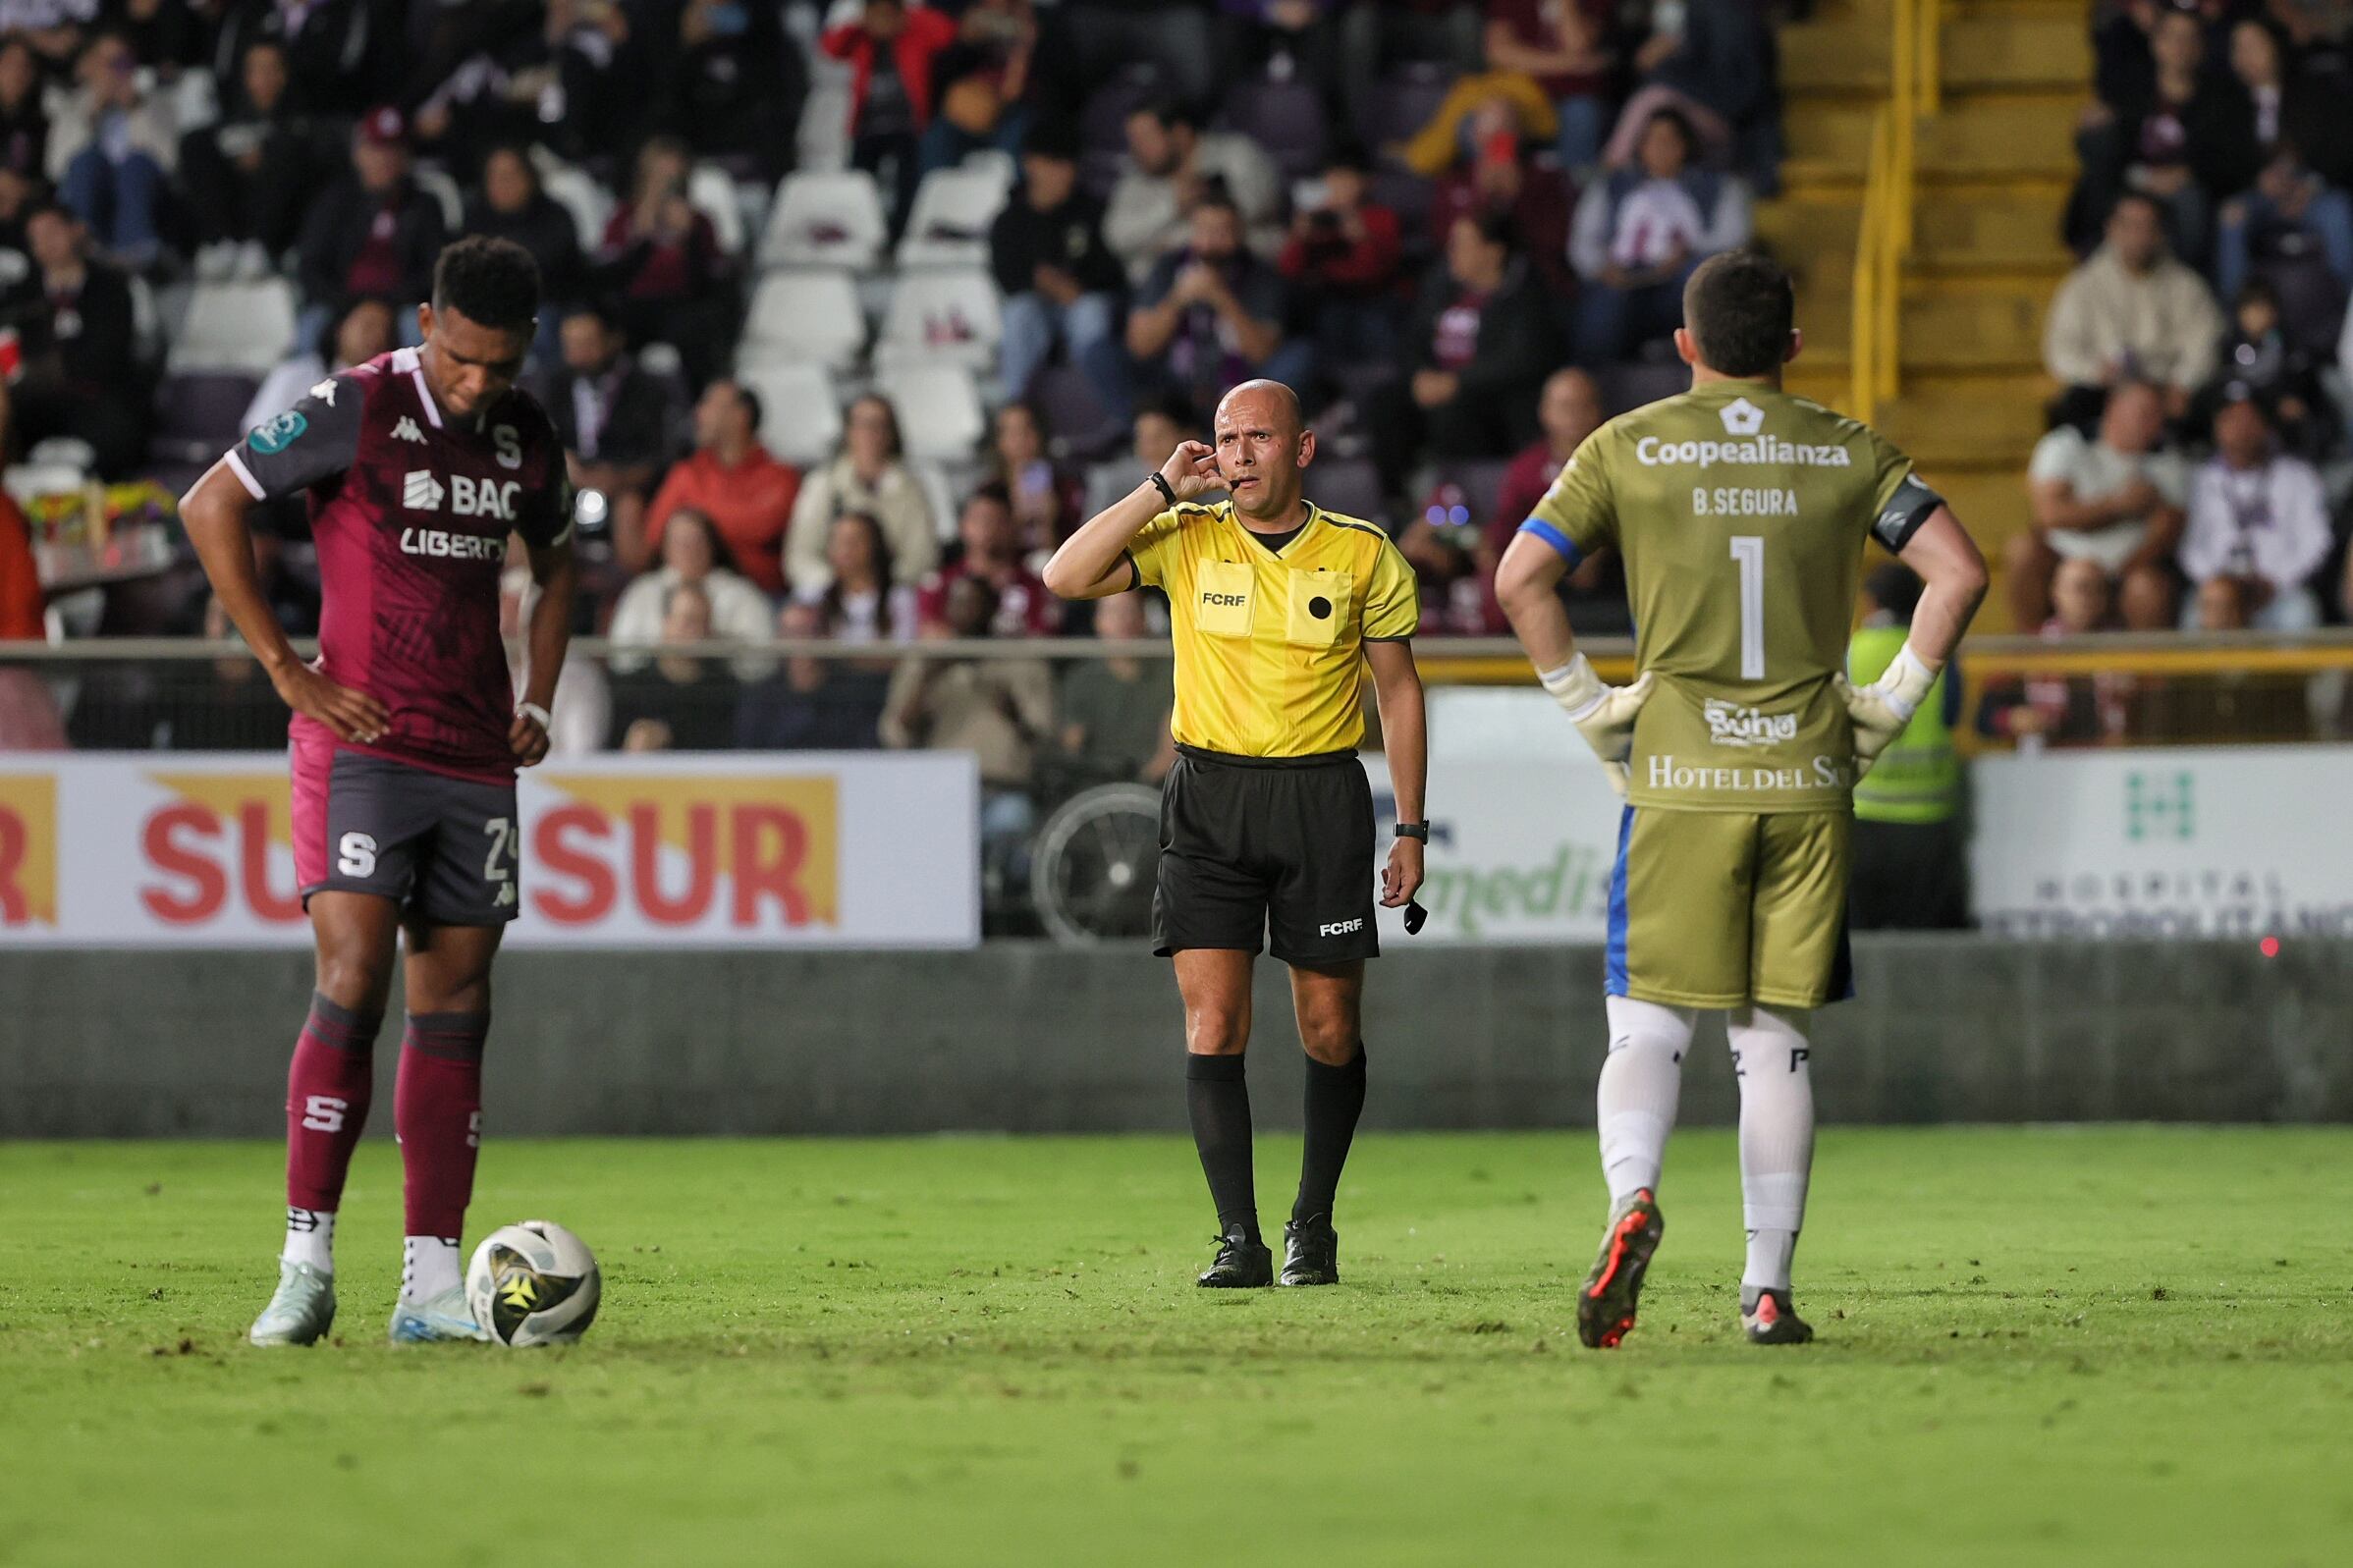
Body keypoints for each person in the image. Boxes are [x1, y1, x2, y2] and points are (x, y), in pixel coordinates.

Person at [1494, 250, 1988, 1348]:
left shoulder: (1624, 447)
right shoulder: (1849, 451)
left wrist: (1589, 707)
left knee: (1648, 1026)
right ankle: (1765, 1291)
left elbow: (1517, 580)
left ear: (1684, 346)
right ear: (1793, 349)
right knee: (1772, 1047)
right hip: (1808, 776)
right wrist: (1892, 699)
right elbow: (1957, 572)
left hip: (1674, 776)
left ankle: (1632, 1199)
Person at [178, 237, 576, 1347]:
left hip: (474, 759)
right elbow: (210, 502)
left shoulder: (527, 431)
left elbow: (557, 568)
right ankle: (304, 1266)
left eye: (497, 367)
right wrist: (288, 670)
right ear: (425, 323)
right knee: (352, 978)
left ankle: (432, 1287)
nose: (475, 384)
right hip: (360, 743)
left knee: (457, 1010)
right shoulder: (355, 406)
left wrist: (537, 697)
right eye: (459, 359)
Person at [1042, 378, 1428, 1292]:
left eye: (1259, 436)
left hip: (1320, 800)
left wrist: (1408, 827)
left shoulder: (1362, 552)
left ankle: (1313, 1224)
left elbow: (1400, 692)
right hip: (1209, 798)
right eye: (1226, 436)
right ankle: (1238, 1239)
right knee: (1214, 1022)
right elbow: (1062, 575)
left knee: (1329, 1029)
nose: (1241, 452)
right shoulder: (1185, 536)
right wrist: (1159, 488)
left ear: (1300, 449)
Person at [880, 573, 1056, 884]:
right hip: (941, 794)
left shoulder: (1022, 662)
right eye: (958, 602)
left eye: (975, 603)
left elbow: (1044, 735)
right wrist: (927, 679)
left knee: (1012, 825)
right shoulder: (924, 663)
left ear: (992, 609)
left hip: (1005, 791)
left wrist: (1012, 711)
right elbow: (894, 732)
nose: (966, 611)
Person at [1365, 212, 1559, 493]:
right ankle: (1397, 502)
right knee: (1385, 401)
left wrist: (1456, 383)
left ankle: (1462, 498)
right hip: (1438, 386)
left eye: (1462, 244)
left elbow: (1523, 357)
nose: (1451, 252)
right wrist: (1421, 376)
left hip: (1487, 399)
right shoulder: (1442, 289)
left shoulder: (1526, 294)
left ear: (1493, 252)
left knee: (1451, 411)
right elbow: (1412, 341)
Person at [1568, 108, 1751, 363]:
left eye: (1670, 139)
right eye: (1653, 139)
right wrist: (1603, 269)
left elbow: (1734, 238)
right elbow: (1583, 242)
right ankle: (1595, 381)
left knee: (1704, 283)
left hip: (1682, 276)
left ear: (1686, 144)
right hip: (1623, 279)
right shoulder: (1609, 186)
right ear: (1640, 145)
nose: (1661, 147)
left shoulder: (1719, 186)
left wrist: (1686, 252)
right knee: (1604, 304)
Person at [1846, 566, 1967, 932]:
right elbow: (1951, 715)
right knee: (1927, 940)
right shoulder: (1940, 654)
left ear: (1871, 603)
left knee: (1860, 939)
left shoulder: (1851, 651)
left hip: (1864, 812)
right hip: (1929, 816)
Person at [2016, 377, 2189, 630]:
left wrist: (2121, 572)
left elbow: (2169, 530)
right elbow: (2049, 514)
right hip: (2063, 563)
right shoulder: (2066, 444)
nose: (2154, 425)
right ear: (2114, 407)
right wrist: (2118, 507)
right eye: (2144, 413)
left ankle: (2147, 669)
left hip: (2128, 571)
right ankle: (2028, 659)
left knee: (2148, 586)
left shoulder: (2169, 461)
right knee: (2023, 551)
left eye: (2158, 416)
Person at [1126, 193, 1310, 424]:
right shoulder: (1168, 266)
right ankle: (1147, 438)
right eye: (1204, 231)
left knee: (1300, 356)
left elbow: (1262, 352)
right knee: (1106, 356)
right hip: (1177, 383)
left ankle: (1253, 434)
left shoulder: (1260, 274)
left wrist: (1222, 298)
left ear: (1239, 234)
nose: (1211, 242)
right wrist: (1177, 299)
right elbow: (1140, 346)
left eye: (1222, 232)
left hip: (1243, 386)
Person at [2044, 191, 2224, 422]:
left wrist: (2182, 383)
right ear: (2112, 229)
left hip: (2168, 390)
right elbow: (2060, 350)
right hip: (2107, 391)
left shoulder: (2187, 286)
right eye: (2131, 225)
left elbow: (2205, 342)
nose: (2140, 235)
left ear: (2160, 232)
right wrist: (2097, 372)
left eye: (2148, 226)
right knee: (2075, 401)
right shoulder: (2083, 286)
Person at [990, 121, 1127, 409]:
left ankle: (1096, 404)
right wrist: (1041, 280)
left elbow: (1111, 270)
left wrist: (1074, 287)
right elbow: (1007, 275)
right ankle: (1017, 409)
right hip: (1037, 308)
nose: (1061, 173)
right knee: (1019, 313)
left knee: (1092, 311)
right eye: (1051, 163)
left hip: (1081, 301)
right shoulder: (1010, 219)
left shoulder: (1091, 210)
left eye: (1067, 164)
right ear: (1030, 164)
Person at [9, 201, 148, 475]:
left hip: (101, 402)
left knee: (118, 428)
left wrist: (55, 367)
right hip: (38, 403)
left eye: (52, 232)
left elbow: (110, 354)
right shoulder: (21, 295)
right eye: (36, 237)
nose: (45, 243)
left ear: (76, 230)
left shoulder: (111, 286)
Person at [2179, 386, 2333, 630]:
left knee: (2300, 614)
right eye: (2229, 419)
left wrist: (2276, 582)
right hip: (2217, 589)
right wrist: (2219, 581)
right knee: (2194, 618)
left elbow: (2317, 542)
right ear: (2216, 427)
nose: (2239, 428)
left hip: (2278, 593)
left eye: (2249, 419)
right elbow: (2189, 547)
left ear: (2267, 426)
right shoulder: (2199, 479)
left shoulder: (2298, 476)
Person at [1484, 366, 1619, 633]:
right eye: (1565, 406)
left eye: (1583, 406)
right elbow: (1501, 538)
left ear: (1598, 410)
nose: (1574, 416)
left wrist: (1599, 547)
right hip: (1543, 581)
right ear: (1544, 411)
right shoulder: (1526, 469)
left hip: (1610, 586)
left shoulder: (1618, 465)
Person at [295, 106, 448, 344]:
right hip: (341, 305)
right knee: (310, 330)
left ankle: (417, 381)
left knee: (418, 327)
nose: (385, 158)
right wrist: (352, 304)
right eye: (376, 148)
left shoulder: (424, 206)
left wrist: (386, 303)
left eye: (394, 149)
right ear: (358, 153)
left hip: (402, 307)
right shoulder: (334, 202)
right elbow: (310, 267)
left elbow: (435, 271)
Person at [179, 36, 325, 280]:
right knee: (195, 143)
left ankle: (261, 247)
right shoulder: (232, 118)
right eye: (256, 69)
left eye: (271, 69)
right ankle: (220, 243)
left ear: (284, 75)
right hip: (234, 212)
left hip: (281, 227)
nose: (264, 78)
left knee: (287, 149)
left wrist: (267, 151)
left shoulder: (304, 121)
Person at [539, 300, 674, 561]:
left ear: (614, 340)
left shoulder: (648, 388)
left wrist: (619, 479)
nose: (578, 355)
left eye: (587, 344)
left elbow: (660, 453)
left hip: (624, 487)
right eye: (571, 345)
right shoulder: (552, 385)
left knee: (629, 509)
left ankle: (634, 591)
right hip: (567, 485)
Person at [639, 379, 799, 595]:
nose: (699, 413)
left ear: (741, 415)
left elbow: (762, 526)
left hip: (762, 596)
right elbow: (656, 536)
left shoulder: (781, 477)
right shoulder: (687, 473)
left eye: (710, 404)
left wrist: (695, 513)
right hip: (690, 597)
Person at [1102, 98, 1282, 280]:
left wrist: (1208, 202)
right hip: (1168, 292)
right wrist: (1173, 206)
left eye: (1146, 138)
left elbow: (1261, 205)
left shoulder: (1234, 153)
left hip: (1243, 280)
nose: (1136, 149)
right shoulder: (1135, 181)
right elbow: (1117, 238)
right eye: (1133, 141)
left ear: (1181, 133)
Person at [821, 0, 959, 232]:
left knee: (909, 180)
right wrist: (859, 25)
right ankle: (861, 230)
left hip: (908, 126)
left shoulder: (914, 36)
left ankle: (900, 232)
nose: (882, 23)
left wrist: (909, 18)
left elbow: (946, 34)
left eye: (887, 16)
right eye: (876, 16)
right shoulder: (861, 40)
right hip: (868, 126)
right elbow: (830, 47)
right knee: (857, 180)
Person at [785, 393, 939, 595]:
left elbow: (921, 556)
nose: (870, 433)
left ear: (892, 433)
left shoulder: (911, 489)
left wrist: (879, 586)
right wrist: (837, 587)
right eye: (862, 424)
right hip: (829, 594)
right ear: (849, 431)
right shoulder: (822, 483)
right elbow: (800, 554)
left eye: (879, 425)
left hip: (893, 593)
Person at [1278, 144, 1404, 371]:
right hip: (1328, 301)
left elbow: (1374, 274)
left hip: (1374, 301)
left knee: (1374, 327)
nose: (1338, 185)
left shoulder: (1380, 218)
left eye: (1346, 178)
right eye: (1332, 178)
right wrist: (1299, 237)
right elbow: (1288, 270)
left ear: (1366, 181)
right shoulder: (1317, 218)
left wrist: (1361, 238)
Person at [607, 508, 775, 672]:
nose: (688, 549)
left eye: (696, 541)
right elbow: (621, 657)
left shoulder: (741, 593)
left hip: (724, 689)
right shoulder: (642, 592)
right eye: (679, 541)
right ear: (665, 547)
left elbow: (762, 661)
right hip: (652, 687)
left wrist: (714, 645)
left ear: (711, 544)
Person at [1056, 586, 1174, 786]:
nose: (1122, 620)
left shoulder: (1169, 674)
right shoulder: (1082, 678)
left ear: (1143, 617)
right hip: (1094, 787)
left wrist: (1135, 788)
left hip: (1153, 787)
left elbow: (1170, 750)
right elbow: (1072, 745)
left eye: (1129, 610)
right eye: (1112, 611)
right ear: (1097, 621)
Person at [737, 599, 890, 750]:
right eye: (791, 633)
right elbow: (748, 754)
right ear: (779, 638)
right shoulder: (761, 697)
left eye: (808, 631)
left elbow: (865, 750)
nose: (799, 642)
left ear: (825, 635)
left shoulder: (853, 694)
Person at [606, 578, 737, 751]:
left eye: (703, 622)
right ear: (666, 623)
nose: (696, 631)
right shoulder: (629, 689)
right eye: (687, 621)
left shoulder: (726, 691)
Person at [916, 482, 1059, 636]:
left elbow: (1043, 640)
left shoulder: (1035, 587)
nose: (987, 529)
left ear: (1012, 526)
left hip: (1015, 660)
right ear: (963, 525)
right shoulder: (939, 585)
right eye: (979, 520)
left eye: (997, 521)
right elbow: (930, 636)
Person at [801, 510, 916, 644]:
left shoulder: (899, 598)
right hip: (831, 665)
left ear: (875, 546)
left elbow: (903, 652)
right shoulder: (812, 597)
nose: (845, 549)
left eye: (854, 541)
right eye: (837, 541)